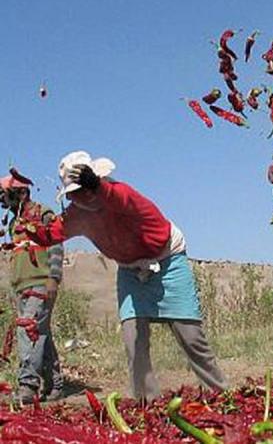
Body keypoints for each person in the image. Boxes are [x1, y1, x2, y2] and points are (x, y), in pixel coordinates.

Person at [25, 151, 227, 400]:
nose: (81, 197)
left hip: (168, 262)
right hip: (131, 271)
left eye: (84, 190)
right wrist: (25, 217)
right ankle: (147, 403)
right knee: (133, 337)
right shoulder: (79, 213)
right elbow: (49, 234)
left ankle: (220, 394)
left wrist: (98, 187)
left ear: (95, 183)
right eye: (75, 194)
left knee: (190, 335)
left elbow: (122, 200)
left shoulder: (118, 194)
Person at [0, 172, 64, 403]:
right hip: (21, 287)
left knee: (28, 330)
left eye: (7, 196)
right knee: (41, 333)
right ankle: (55, 384)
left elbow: (56, 244)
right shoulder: (14, 224)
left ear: (22, 192)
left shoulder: (43, 213)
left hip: (41, 283)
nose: (4, 202)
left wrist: (53, 280)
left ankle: (28, 386)